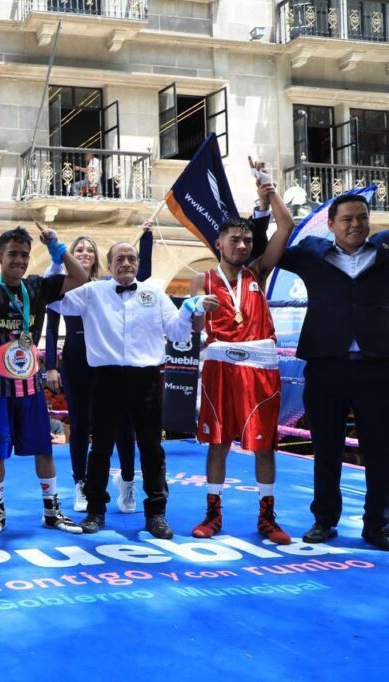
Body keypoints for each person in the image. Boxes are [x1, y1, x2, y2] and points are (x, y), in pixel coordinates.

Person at [51, 242, 216, 538]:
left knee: (151, 448)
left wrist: (189, 310)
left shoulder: (155, 293)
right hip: (106, 376)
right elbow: (54, 302)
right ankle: (95, 511)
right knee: (100, 447)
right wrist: (55, 264)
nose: (126, 263)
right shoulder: (92, 291)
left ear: (138, 262)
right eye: (120, 259)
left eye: (131, 258)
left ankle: (156, 514)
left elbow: (178, 332)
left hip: (147, 378)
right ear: (110, 264)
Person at [0, 224, 87, 534]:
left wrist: (57, 246)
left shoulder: (37, 286)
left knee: (44, 449)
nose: (19, 260)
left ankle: (51, 510)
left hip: (30, 385)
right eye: (12, 254)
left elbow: (80, 278)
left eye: (24, 254)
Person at [278, 193, 389, 551]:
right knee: (325, 449)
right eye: (347, 219)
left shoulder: (386, 255)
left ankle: (379, 525)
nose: (355, 224)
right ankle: (324, 521)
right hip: (326, 366)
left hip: (377, 368)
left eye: (361, 218)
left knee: (381, 450)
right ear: (331, 225)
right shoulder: (312, 254)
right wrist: (267, 203)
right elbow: (273, 250)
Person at [189, 181, 295, 545]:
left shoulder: (258, 273)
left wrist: (271, 194)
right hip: (221, 368)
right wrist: (195, 314)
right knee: (218, 443)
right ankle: (213, 513)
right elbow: (193, 328)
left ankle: (267, 515)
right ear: (218, 243)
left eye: (246, 241)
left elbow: (286, 228)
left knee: (264, 446)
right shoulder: (200, 280)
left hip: (260, 369)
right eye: (234, 239)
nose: (241, 245)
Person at [44, 228, 153, 513]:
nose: (83, 253)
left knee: (122, 424)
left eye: (88, 249)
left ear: (97, 257)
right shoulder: (66, 286)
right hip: (76, 361)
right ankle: (81, 483)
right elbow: (52, 326)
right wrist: (50, 366)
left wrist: (147, 239)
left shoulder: (109, 286)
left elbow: (144, 275)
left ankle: (127, 482)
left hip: (108, 362)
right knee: (79, 425)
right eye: (77, 249)